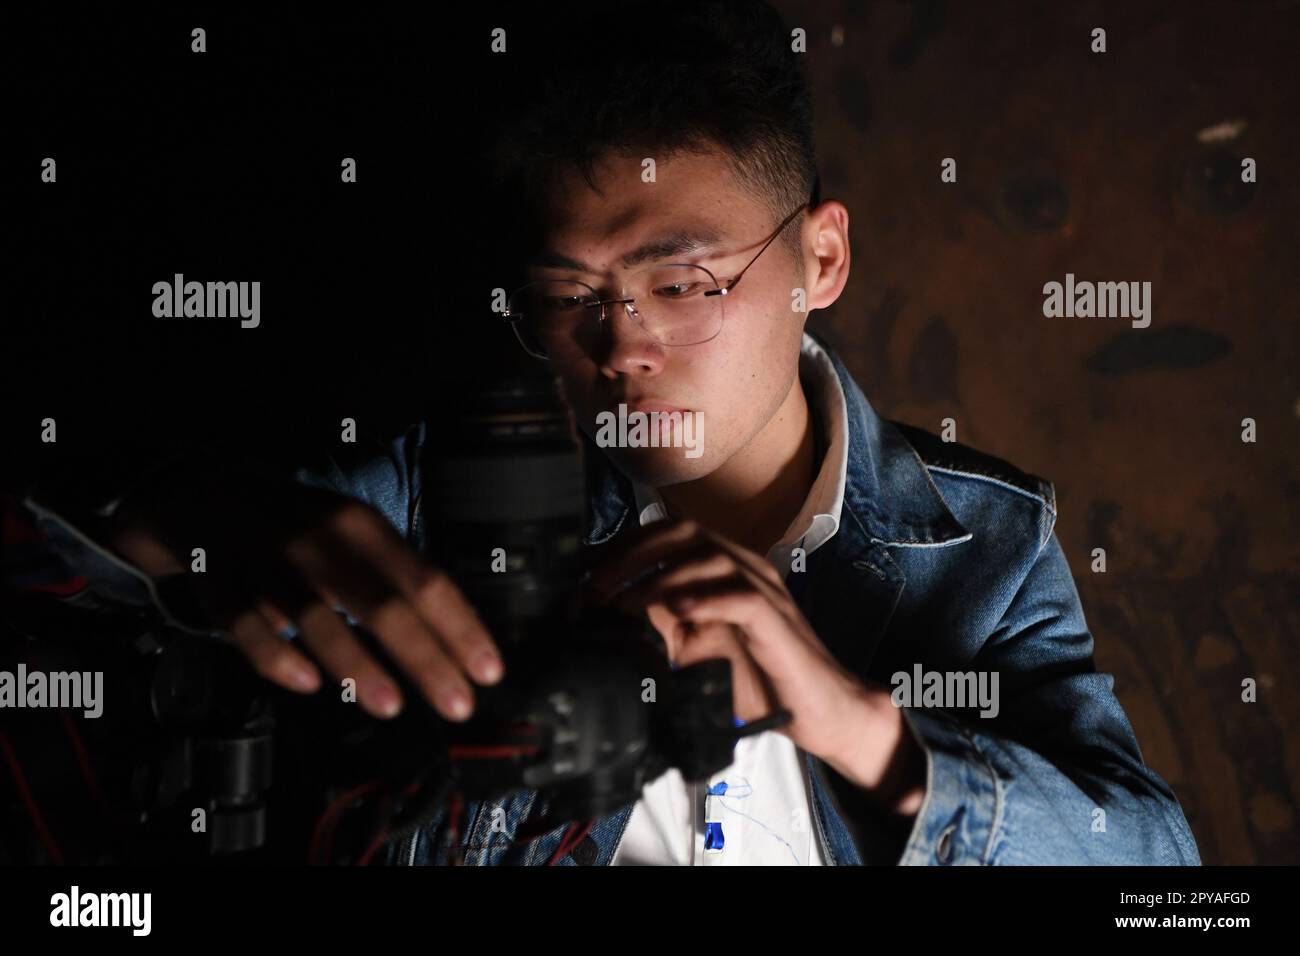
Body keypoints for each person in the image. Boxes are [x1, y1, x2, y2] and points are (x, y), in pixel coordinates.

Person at [9, 0, 1199, 866]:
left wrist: (841, 714)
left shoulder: (980, 540)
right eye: (568, 296)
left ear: (820, 259)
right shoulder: (445, 496)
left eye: (682, 282)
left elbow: (1160, 871)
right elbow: (74, 587)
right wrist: (197, 528)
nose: (618, 345)